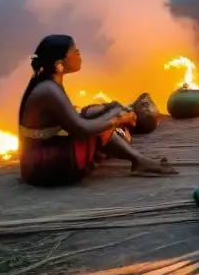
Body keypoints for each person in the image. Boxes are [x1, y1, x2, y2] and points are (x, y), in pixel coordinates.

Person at [18, 35, 177, 186]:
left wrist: (112, 112)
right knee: (101, 127)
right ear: (59, 63)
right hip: (42, 167)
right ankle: (138, 160)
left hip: (38, 161)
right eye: (75, 52)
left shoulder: (48, 83)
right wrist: (117, 119)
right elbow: (81, 129)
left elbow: (76, 118)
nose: (79, 55)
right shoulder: (48, 89)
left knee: (94, 113)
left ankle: (136, 158)